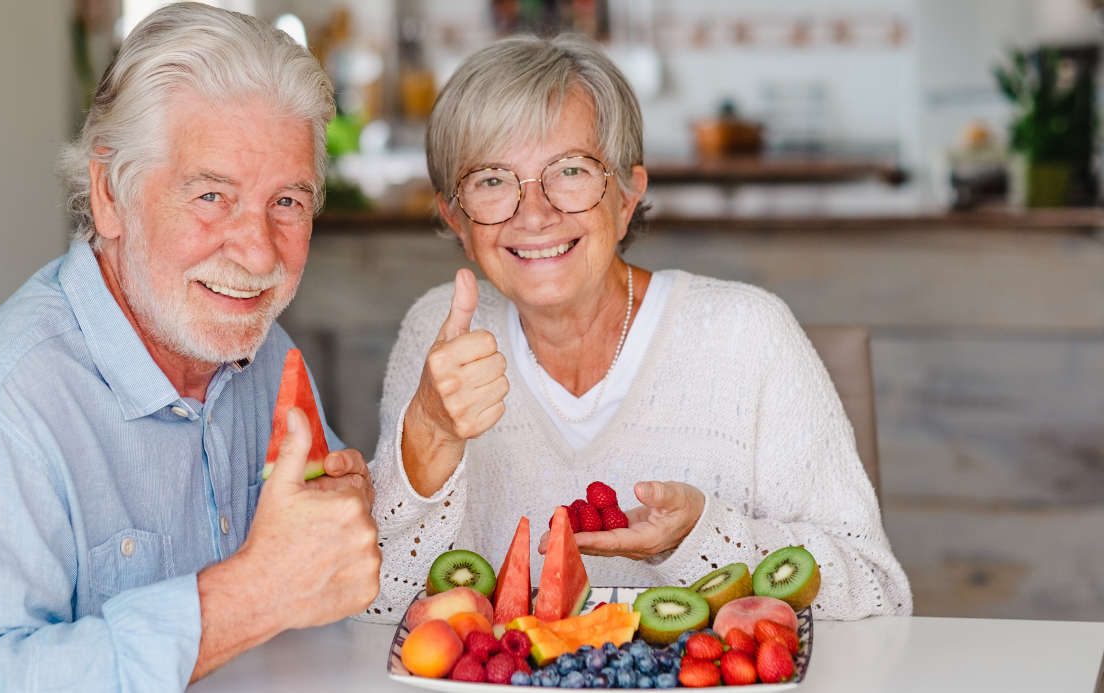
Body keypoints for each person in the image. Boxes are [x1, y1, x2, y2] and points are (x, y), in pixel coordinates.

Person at [0, 4, 380, 690]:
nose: (259, 250)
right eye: (211, 195)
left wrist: (341, 523)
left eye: (288, 202)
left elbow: (315, 585)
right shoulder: (2, 405)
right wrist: (246, 595)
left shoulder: (262, 353)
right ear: (109, 195)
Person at [361, 34, 910, 622]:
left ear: (626, 198)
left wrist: (700, 538)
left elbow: (880, 599)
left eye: (569, 170)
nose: (535, 213)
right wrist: (430, 436)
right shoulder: (437, 334)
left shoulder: (749, 335)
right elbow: (377, 613)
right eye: (493, 180)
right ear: (457, 219)